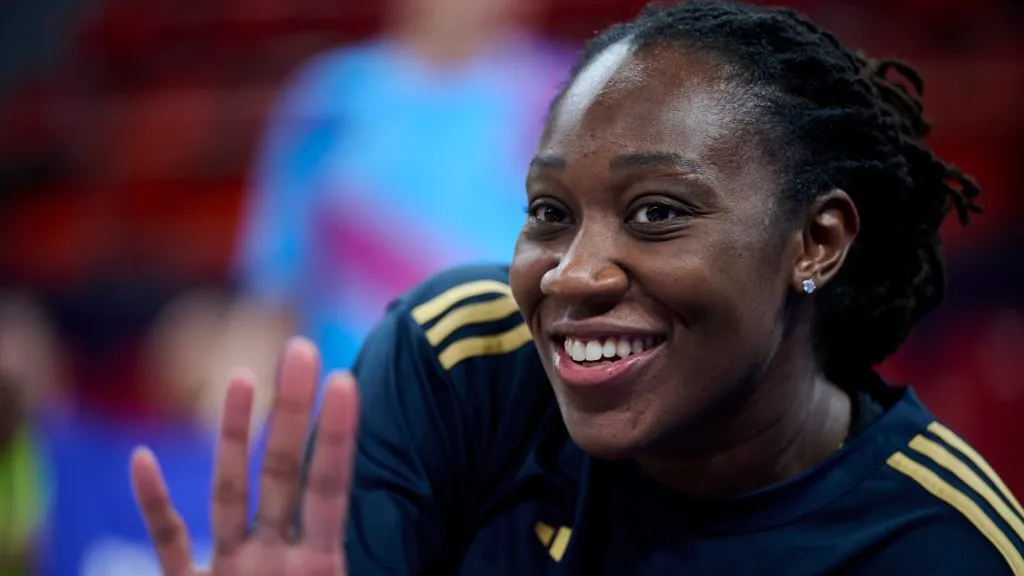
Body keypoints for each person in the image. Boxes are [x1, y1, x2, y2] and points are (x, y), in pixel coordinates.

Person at [129, 1, 1024, 574]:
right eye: (549, 211)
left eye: (658, 213)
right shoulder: (457, 365)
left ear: (816, 242)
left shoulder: (942, 544)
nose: (575, 272)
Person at [234, 0, 570, 374]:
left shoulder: (568, 97)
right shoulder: (330, 98)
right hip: (356, 390)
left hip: (510, 392)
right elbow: (277, 279)